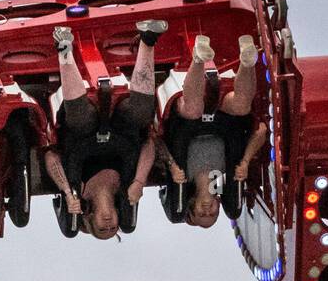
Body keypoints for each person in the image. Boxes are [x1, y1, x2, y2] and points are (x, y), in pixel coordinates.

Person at [43, 20, 166, 239]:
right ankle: (148, 40)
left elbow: (51, 156)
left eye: (102, 228)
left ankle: (64, 48)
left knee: (80, 117)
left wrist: (65, 190)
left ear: (89, 220)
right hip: (122, 127)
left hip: (81, 129)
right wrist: (140, 180)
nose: (108, 223)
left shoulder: (76, 191)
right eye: (112, 228)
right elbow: (148, 144)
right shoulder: (128, 189)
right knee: (141, 111)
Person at [160, 33, 267, 227]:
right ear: (219, 206)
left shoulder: (183, 176)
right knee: (242, 105)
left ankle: (199, 57)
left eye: (202, 215)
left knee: (193, 109)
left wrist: (171, 165)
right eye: (212, 215)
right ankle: (248, 59)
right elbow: (261, 131)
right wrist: (245, 161)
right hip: (221, 119)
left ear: (191, 206)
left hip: (185, 116)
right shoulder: (224, 176)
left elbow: (154, 140)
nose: (207, 211)